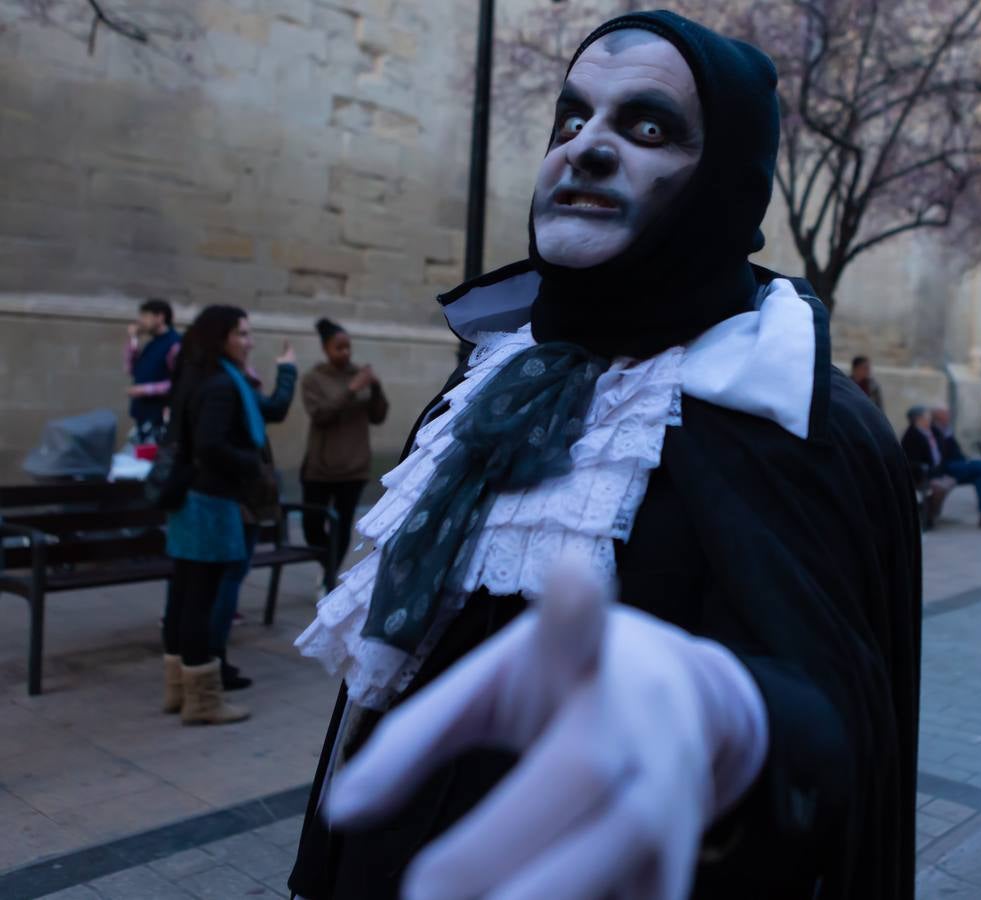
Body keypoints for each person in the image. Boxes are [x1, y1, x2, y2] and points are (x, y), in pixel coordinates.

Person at [290, 12, 920, 900]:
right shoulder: (493, 374)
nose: (583, 149)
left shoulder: (787, 414)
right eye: (569, 118)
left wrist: (732, 723)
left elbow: (838, 721)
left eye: (647, 127)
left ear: (724, 182)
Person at [162, 305, 273, 725]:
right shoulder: (221, 385)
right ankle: (204, 702)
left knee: (183, 597)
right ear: (221, 337)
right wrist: (250, 463)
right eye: (242, 334)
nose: (249, 342)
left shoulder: (195, 375)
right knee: (199, 601)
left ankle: (179, 690)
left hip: (189, 497)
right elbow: (210, 446)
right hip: (209, 502)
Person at [208, 343, 298, 691]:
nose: (247, 342)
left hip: (228, 497)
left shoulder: (211, 379)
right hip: (235, 497)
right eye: (240, 334)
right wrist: (287, 370)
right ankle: (212, 659)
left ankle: (205, 660)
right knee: (228, 577)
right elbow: (274, 408)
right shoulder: (231, 384)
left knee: (221, 579)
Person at [300, 318, 389, 594]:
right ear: (326, 348)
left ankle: (328, 576)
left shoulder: (359, 375)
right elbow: (320, 415)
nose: (346, 353)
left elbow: (378, 416)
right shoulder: (314, 379)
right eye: (339, 348)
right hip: (320, 467)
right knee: (312, 525)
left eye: (348, 347)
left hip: (354, 468)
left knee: (341, 526)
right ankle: (326, 561)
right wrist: (351, 390)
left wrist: (374, 387)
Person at [125, 298, 182, 443]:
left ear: (160, 317)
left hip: (159, 418)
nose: (140, 321)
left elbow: (179, 382)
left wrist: (144, 390)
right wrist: (133, 340)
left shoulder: (174, 344)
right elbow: (131, 369)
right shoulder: (152, 344)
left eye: (145, 316)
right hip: (143, 415)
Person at [901, 406, 957, 525]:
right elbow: (911, 460)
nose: (930, 418)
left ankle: (931, 512)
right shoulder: (911, 435)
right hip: (921, 474)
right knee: (939, 487)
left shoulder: (932, 431)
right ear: (918, 419)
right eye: (927, 416)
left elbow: (945, 442)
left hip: (936, 471)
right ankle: (929, 515)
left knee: (949, 482)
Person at [931, 407, 981, 527]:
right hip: (947, 466)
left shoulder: (946, 430)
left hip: (957, 463)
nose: (949, 416)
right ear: (939, 417)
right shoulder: (935, 430)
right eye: (945, 414)